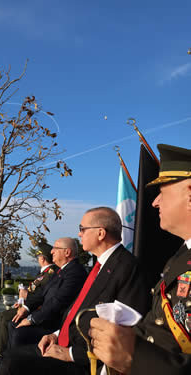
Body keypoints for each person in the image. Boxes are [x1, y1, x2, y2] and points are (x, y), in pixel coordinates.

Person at [0, 207, 151, 374]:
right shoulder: (101, 266)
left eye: (82, 229)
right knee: (10, 356)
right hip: (66, 341)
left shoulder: (127, 268)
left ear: (100, 233)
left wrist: (71, 354)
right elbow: (77, 310)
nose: (79, 234)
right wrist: (56, 335)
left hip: (85, 360)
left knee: (12, 364)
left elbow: (124, 336)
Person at [89, 144, 191, 375]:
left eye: (162, 192)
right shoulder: (179, 257)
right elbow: (157, 329)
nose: (154, 202)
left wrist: (135, 358)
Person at [0, 237, 87, 367]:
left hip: (56, 324)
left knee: (19, 331)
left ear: (67, 252)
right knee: (13, 324)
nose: (52, 251)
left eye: (55, 248)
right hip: (47, 317)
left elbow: (57, 303)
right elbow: (41, 294)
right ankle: (9, 361)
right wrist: (26, 308)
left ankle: (15, 365)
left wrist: (31, 319)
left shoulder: (75, 273)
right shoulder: (61, 270)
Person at [0, 241, 58, 363]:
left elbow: (40, 295)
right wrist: (23, 300)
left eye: (39, 256)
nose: (38, 258)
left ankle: (2, 353)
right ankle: (0, 350)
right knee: (4, 315)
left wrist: (26, 299)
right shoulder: (44, 273)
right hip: (31, 306)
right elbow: (36, 291)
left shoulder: (50, 274)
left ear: (43, 258)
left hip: (36, 310)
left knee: (5, 317)